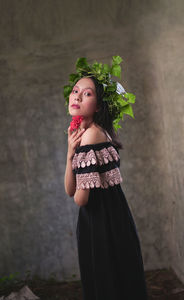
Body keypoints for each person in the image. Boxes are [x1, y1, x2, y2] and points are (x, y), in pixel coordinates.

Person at [64, 57, 148, 300]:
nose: (77, 97)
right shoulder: (80, 134)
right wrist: (70, 152)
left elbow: (79, 199)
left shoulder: (91, 136)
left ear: (99, 105)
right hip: (101, 220)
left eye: (87, 94)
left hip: (104, 223)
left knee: (108, 285)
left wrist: (75, 157)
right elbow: (70, 190)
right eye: (75, 90)